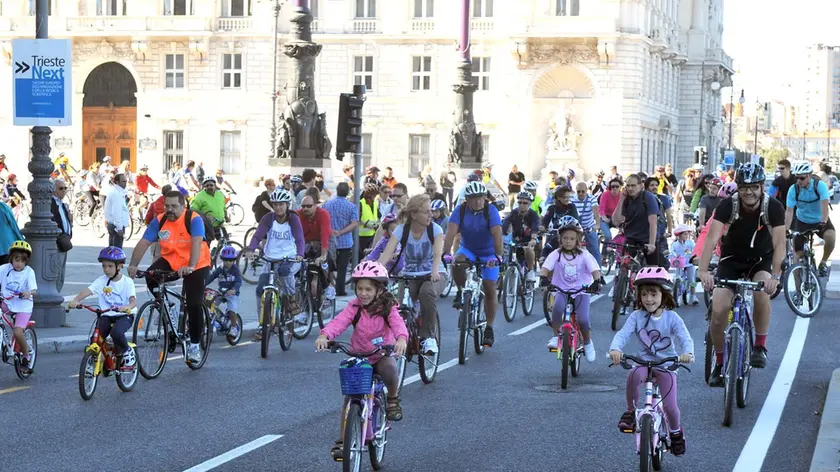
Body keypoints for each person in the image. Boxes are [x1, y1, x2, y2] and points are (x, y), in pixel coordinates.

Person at [697, 163, 784, 386]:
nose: (749, 192)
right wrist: (704, 270)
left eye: (754, 187)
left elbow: (779, 243)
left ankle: (760, 346)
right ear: (738, 187)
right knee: (718, 311)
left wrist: (775, 275)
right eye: (745, 187)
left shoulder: (773, 207)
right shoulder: (728, 205)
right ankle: (719, 361)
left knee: (762, 292)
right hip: (730, 260)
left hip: (760, 261)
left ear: (762, 187)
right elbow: (712, 238)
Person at [315, 261, 409, 459]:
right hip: (359, 356)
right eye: (359, 289)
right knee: (350, 398)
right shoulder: (354, 306)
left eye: (368, 289)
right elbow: (339, 322)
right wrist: (325, 335)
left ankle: (392, 400)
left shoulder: (387, 307)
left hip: (381, 353)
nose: (363, 293)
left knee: (390, 370)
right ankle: (343, 439)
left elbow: (398, 324)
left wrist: (401, 339)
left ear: (379, 290)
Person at [608, 267, 693, 456]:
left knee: (670, 406)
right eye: (644, 294)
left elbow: (684, 337)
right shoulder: (636, 316)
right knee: (633, 376)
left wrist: (687, 352)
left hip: (666, 366)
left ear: (664, 294)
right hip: (643, 363)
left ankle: (676, 432)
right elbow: (623, 334)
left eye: (653, 294)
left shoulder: (672, 318)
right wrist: (615, 349)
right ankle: (631, 412)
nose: (648, 299)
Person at [128, 190, 213, 364]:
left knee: (193, 302)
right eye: (167, 206)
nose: (169, 209)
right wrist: (133, 264)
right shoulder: (160, 220)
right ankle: (165, 308)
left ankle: (195, 345)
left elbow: (196, 242)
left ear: (183, 206)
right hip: (171, 261)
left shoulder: (193, 219)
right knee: (151, 276)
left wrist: (190, 266)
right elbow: (144, 242)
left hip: (196, 263)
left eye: (174, 206)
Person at [378, 195, 446, 354]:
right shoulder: (402, 230)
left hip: (434, 274)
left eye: (431, 211)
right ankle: (395, 338)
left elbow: (437, 255)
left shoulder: (435, 229)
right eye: (426, 212)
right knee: (396, 306)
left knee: (426, 292)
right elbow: (387, 254)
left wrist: (435, 271)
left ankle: (428, 337)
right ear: (414, 215)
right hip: (409, 275)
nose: (431, 215)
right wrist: (374, 271)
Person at [442, 181, 503, 347]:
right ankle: (462, 291)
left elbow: (497, 235)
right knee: (457, 262)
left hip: (489, 252)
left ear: (485, 198)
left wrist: (498, 257)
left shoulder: (491, 211)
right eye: (473, 198)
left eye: (480, 197)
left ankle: (489, 327)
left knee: (490, 286)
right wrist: (446, 253)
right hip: (468, 249)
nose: (477, 201)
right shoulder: (460, 211)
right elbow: (450, 234)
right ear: (467, 199)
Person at [244, 188, 305, 337]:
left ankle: (291, 299)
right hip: (270, 258)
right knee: (260, 290)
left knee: (285, 272)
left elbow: (299, 238)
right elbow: (258, 236)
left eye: (281, 204)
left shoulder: (293, 218)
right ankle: (263, 324)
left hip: (289, 257)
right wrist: (251, 249)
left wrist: (300, 254)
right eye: (276, 204)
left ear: (287, 205)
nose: (278, 207)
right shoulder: (268, 218)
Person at [67, 247, 137, 371]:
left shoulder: (127, 282)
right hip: (106, 315)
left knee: (116, 332)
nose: (106, 269)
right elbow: (88, 291)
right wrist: (76, 300)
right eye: (104, 266)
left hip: (124, 315)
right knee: (96, 337)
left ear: (119, 266)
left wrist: (127, 307)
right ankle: (93, 361)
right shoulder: (101, 281)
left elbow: (132, 301)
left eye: (110, 266)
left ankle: (127, 351)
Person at [541, 216, 601, 361]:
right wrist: (543, 277)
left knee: (583, 319)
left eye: (572, 238)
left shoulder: (584, 255)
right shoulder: (556, 254)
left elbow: (595, 270)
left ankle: (587, 343)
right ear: (560, 239)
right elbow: (545, 267)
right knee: (557, 309)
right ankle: (556, 336)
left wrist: (596, 281)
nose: (568, 241)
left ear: (578, 240)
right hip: (561, 289)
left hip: (581, 291)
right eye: (565, 238)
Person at [785, 161, 834, 277]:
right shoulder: (793, 189)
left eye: (802, 178)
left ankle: (823, 262)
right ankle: (797, 292)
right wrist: (786, 229)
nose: (798, 181)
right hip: (802, 221)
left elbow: (824, 206)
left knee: (831, 237)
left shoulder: (819, 186)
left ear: (809, 176)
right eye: (796, 178)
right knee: (797, 258)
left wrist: (823, 222)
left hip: (820, 220)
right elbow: (789, 211)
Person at [0, 241, 36, 373]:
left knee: (17, 331)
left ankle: (26, 357)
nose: (18, 263)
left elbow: (34, 290)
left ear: (26, 261)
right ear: (11, 258)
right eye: (16, 259)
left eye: (22, 260)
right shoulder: (4, 269)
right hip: (7, 303)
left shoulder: (29, 272)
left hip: (23, 306)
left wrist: (28, 292)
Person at [611, 174, 661, 266]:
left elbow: (653, 222)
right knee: (623, 265)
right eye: (628, 186)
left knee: (652, 270)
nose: (630, 188)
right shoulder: (626, 199)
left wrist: (652, 244)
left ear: (641, 186)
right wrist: (621, 200)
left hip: (647, 238)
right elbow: (616, 222)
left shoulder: (648, 197)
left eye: (633, 185)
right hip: (631, 238)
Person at [298, 194, 336, 300]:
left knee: (325, 261)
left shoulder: (323, 214)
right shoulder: (298, 215)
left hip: (325, 240)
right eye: (303, 206)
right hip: (308, 242)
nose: (305, 208)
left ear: (315, 206)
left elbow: (324, 235)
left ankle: (328, 286)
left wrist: (323, 255)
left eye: (309, 206)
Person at [323, 182, 359, 296]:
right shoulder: (351, 206)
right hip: (345, 241)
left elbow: (323, 221)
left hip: (329, 240)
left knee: (328, 266)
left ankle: (328, 287)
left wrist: (331, 231)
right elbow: (354, 224)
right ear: (347, 192)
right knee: (342, 268)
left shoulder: (327, 204)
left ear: (337, 191)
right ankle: (340, 290)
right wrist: (341, 232)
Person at [205, 245, 243, 338]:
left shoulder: (235, 270)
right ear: (222, 259)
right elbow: (212, 276)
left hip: (231, 293)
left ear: (234, 260)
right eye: (225, 260)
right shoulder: (220, 269)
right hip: (221, 292)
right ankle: (219, 318)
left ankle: (234, 327)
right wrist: (203, 284)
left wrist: (234, 290)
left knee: (231, 309)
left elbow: (238, 281)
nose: (228, 262)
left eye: (231, 260)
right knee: (210, 302)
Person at [502, 191, 540, 281]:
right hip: (515, 241)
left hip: (529, 241)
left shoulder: (533, 214)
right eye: (519, 202)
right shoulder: (513, 213)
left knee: (528, 248)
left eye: (525, 203)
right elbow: (505, 225)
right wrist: (501, 234)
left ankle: (530, 271)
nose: (522, 205)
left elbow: (535, 228)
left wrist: (533, 239)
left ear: (530, 203)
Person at [51, 179, 73, 290]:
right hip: (57, 241)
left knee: (62, 272)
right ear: (53, 190)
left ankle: (57, 292)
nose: (64, 191)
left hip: (65, 240)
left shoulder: (63, 204)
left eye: (65, 188)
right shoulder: (51, 203)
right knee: (57, 270)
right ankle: (55, 293)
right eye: (61, 188)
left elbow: (67, 221)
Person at [572, 182, 602, 265]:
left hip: (589, 226)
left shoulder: (591, 198)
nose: (581, 194)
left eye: (583, 191)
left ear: (586, 191)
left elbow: (595, 211)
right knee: (570, 246)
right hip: (576, 227)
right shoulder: (572, 199)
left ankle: (599, 273)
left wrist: (597, 224)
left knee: (595, 249)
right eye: (578, 191)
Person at [670, 224, 699, 305]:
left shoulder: (690, 243)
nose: (687, 236)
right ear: (679, 235)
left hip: (689, 264)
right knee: (676, 278)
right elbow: (671, 251)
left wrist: (694, 254)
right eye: (685, 234)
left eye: (687, 234)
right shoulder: (675, 244)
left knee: (691, 280)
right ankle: (676, 293)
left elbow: (695, 250)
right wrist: (671, 254)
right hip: (679, 264)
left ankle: (693, 296)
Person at [104, 173, 130, 248]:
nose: (125, 184)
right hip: (116, 225)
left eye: (126, 181)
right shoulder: (116, 193)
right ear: (117, 182)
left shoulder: (118, 192)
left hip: (114, 224)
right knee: (116, 250)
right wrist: (119, 228)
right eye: (123, 181)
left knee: (113, 249)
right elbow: (116, 212)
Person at [358, 183, 381, 258]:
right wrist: (366, 223)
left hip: (372, 234)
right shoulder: (360, 203)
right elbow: (356, 219)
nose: (375, 197)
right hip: (362, 236)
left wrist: (378, 224)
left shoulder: (375, 203)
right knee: (361, 256)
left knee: (370, 256)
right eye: (373, 195)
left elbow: (379, 216)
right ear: (368, 194)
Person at [598, 177, 622, 248]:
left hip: (617, 218)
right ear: (610, 187)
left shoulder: (622, 196)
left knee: (624, 235)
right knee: (608, 236)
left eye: (617, 186)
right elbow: (601, 209)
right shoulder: (605, 194)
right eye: (612, 186)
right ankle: (604, 255)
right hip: (606, 218)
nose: (614, 188)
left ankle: (619, 255)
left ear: (620, 187)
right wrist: (604, 217)